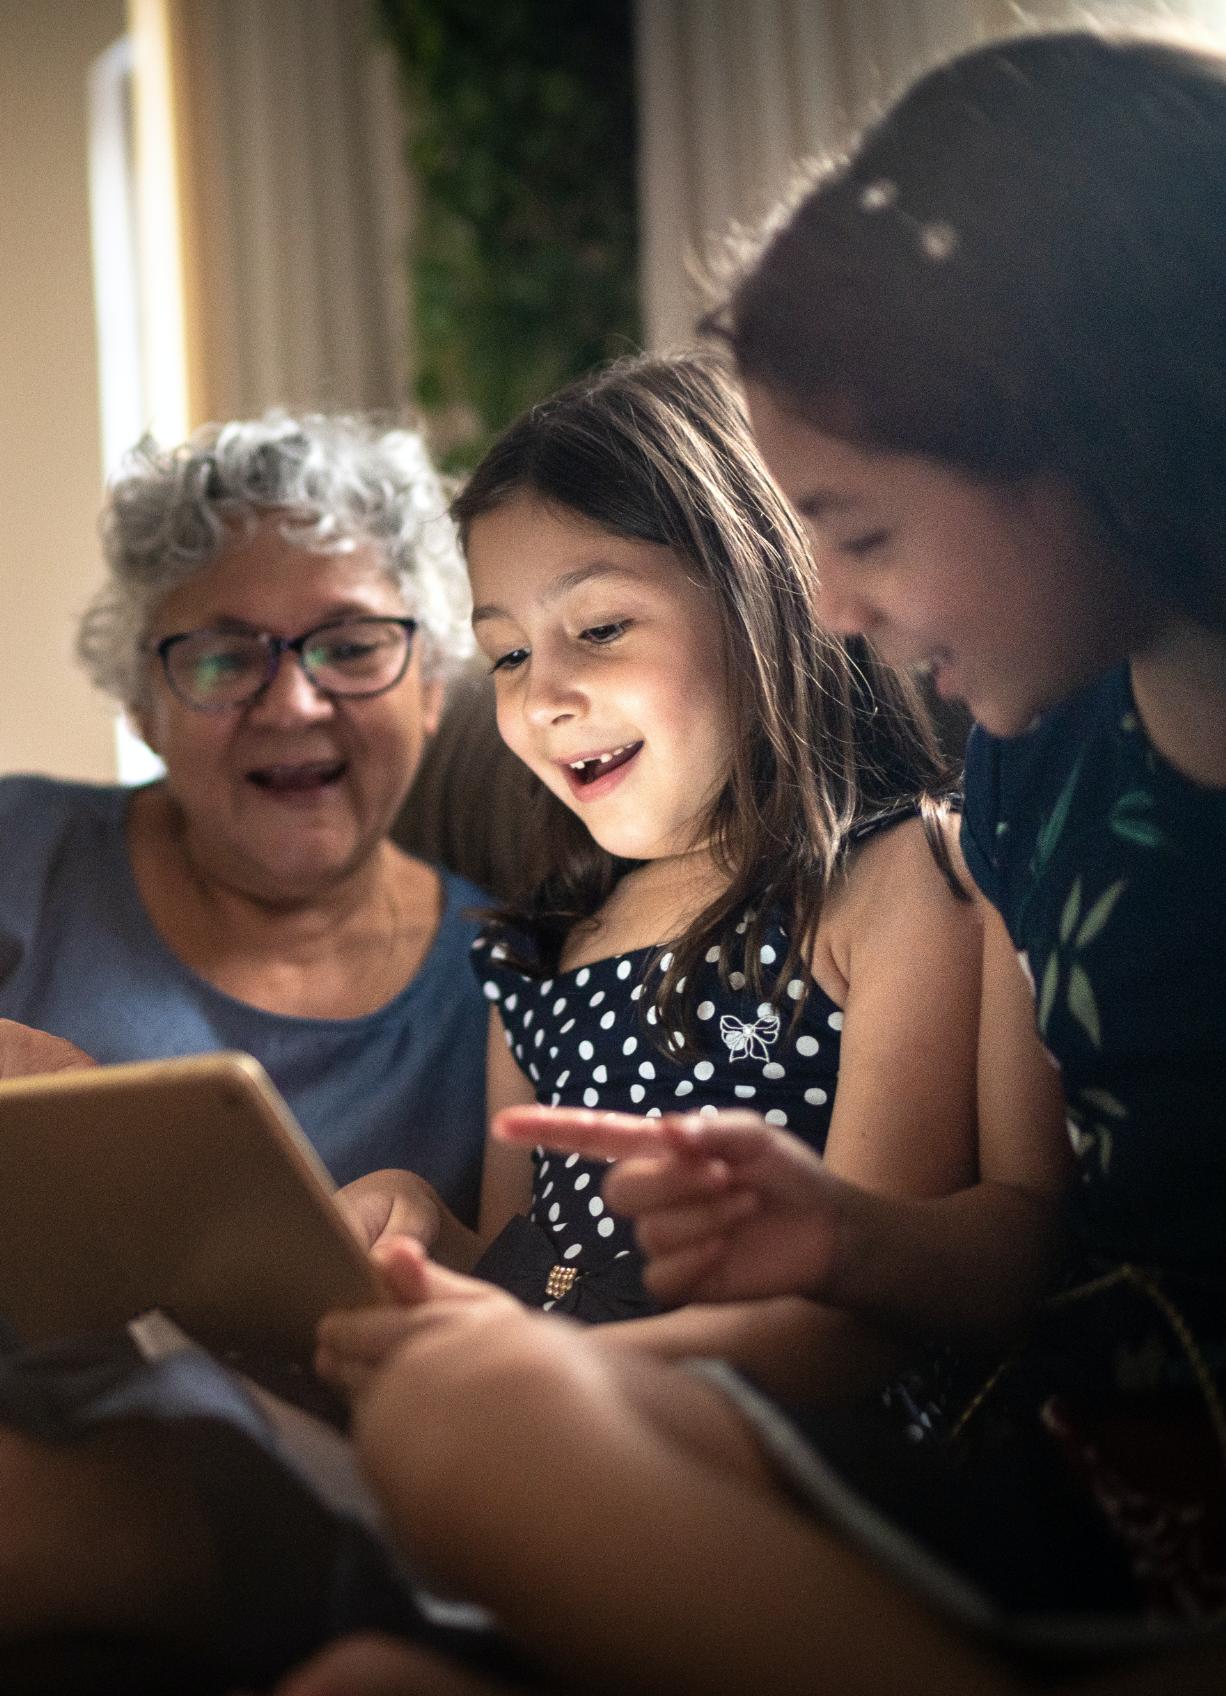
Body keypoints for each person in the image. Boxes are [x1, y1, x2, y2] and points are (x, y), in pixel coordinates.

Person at [274, 24, 1226, 1696]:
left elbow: (990, 1262)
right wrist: (835, 1241)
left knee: (464, 1432)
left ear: (1091, 437)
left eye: (856, 536)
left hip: (1099, 1519)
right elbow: (1019, 1243)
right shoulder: (1027, 778)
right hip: (1073, 1493)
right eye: (503, 653)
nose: (837, 606)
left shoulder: (910, 873)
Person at [341, 349, 1025, 1366]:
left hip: (762, 1424)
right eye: (508, 654)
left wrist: (574, 1382)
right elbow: (528, 1272)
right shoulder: (543, 959)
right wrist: (434, 1241)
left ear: (765, 601)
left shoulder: (897, 887)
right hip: (548, 1414)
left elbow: (854, 1322)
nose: (539, 699)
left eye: (601, 627)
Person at [0, 411, 492, 1245]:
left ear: (433, 685)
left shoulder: (511, 985)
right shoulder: (20, 849)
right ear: (143, 708)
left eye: (350, 646)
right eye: (225, 659)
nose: (294, 702)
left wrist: (448, 1251)